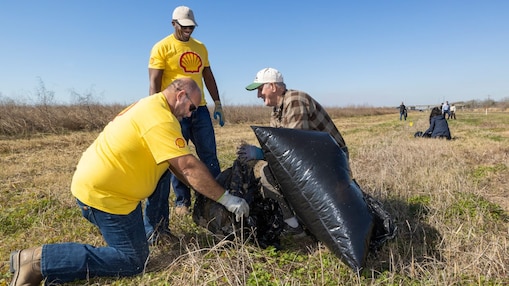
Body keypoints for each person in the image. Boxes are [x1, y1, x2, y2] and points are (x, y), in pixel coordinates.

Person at [8, 78, 249, 286]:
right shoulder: (160, 119)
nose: (190, 113)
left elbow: (176, 166)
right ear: (181, 95)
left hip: (118, 195)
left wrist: (203, 190)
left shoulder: (152, 106)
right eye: (191, 107)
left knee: (136, 246)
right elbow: (187, 165)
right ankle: (37, 261)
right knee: (133, 261)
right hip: (103, 198)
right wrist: (226, 199)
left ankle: (149, 231)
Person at [237, 67, 350, 236]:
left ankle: (295, 226)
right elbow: (278, 148)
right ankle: (296, 220)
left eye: (260, 89)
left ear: (273, 87)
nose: (258, 95)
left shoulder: (295, 100)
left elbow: (294, 150)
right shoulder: (276, 112)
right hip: (312, 157)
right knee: (273, 174)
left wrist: (261, 154)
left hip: (332, 160)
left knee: (268, 173)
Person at [147, 6, 224, 230]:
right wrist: (156, 110)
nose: (188, 30)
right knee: (178, 157)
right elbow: (154, 82)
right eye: (184, 27)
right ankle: (183, 201)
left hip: (198, 110)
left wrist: (217, 103)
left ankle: (214, 197)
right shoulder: (162, 47)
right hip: (174, 112)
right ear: (174, 24)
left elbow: (208, 75)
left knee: (209, 154)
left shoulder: (200, 47)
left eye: (191, 27)